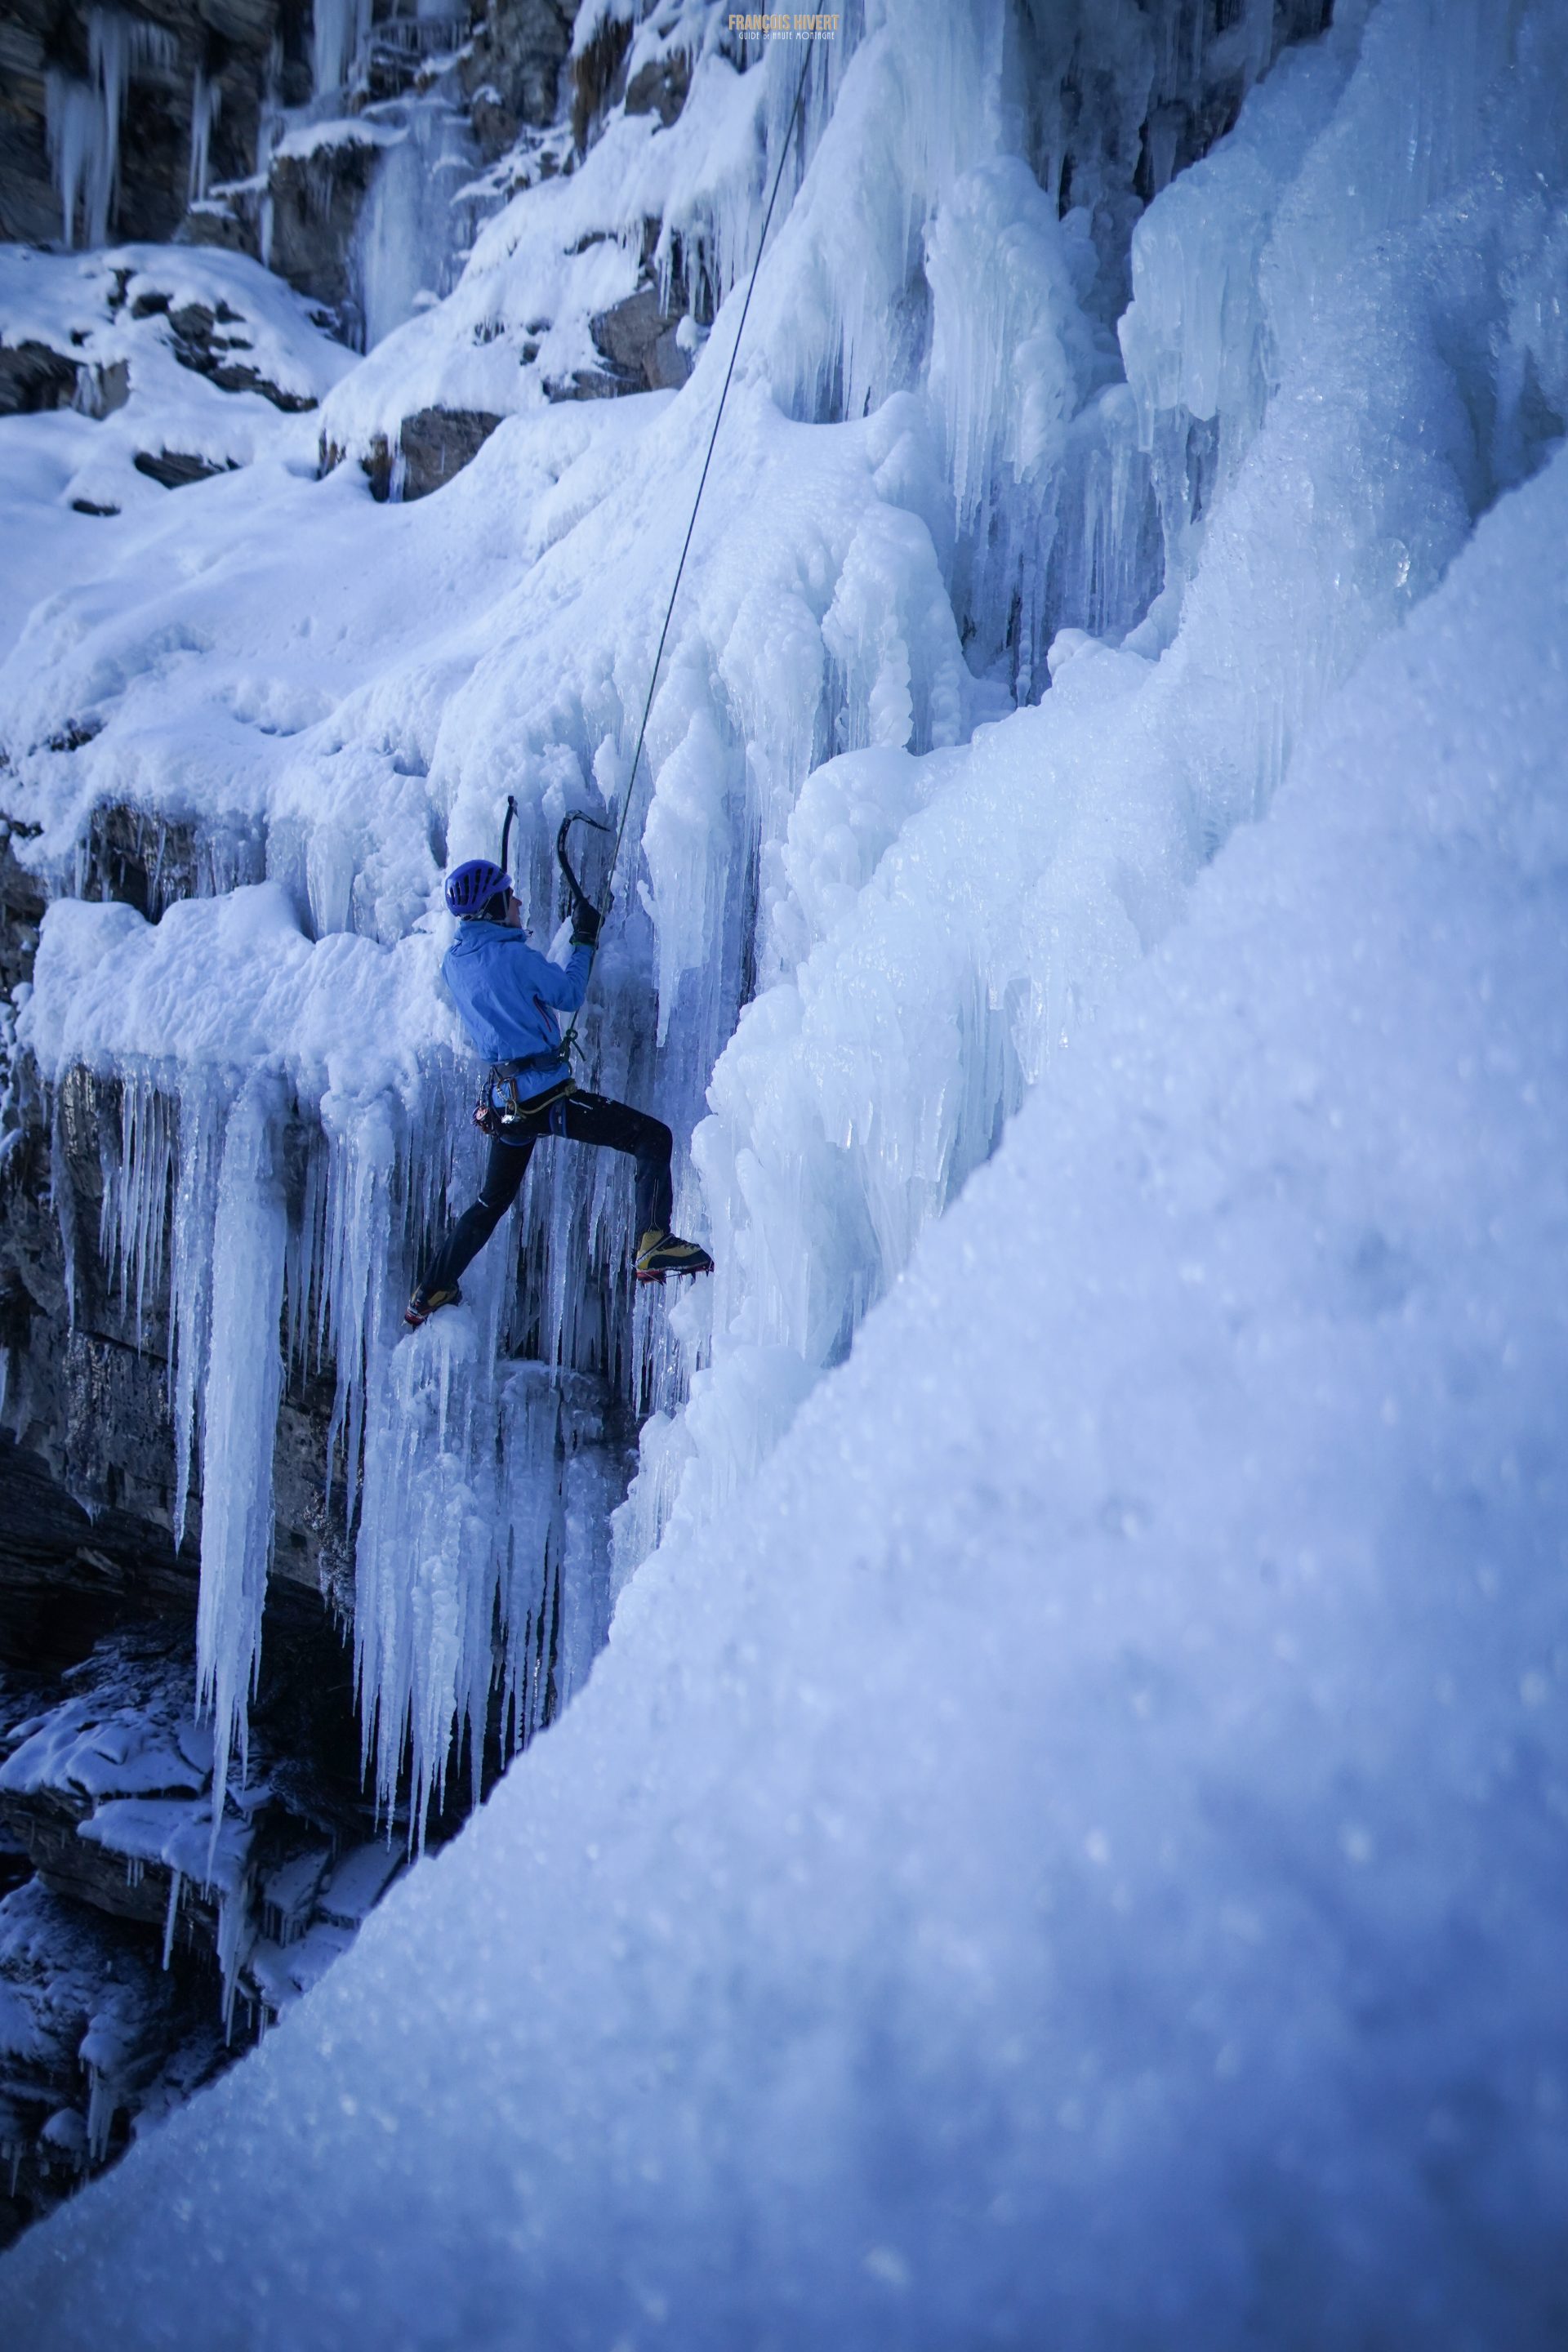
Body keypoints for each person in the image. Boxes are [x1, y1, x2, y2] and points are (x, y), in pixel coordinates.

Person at [405, 855, 712, 1328]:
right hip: (545, 1096)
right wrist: (585, 937)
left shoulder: (454, 963)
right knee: (652, 1138)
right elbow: (567, 994)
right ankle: (653, 1241)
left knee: (490, 1202)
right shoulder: (514, 957)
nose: (520, 902)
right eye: (510, 897)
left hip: (506, 1104)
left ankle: (431, 1289)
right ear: (492, 907)